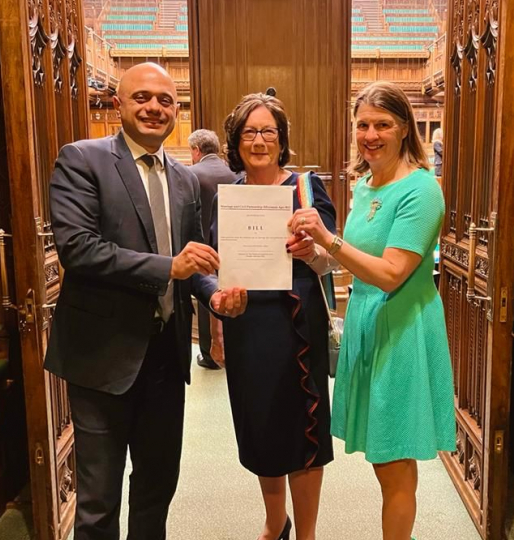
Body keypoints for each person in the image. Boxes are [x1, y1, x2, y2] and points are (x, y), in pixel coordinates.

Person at [45, 62, 247, 540]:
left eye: (165, 100)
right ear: (119, 104)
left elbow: (196, 260)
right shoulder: (82, 159)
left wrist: (216, 293)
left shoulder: (184, 179)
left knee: (157, 490)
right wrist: (167, 268)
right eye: (142, 98)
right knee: (98, 501)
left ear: (176, 110)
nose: (154, 107)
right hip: (102, 358)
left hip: (164, 360)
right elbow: (78, 249)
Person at [290, 81, 455, 540]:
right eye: (362, 124)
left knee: (393, 458)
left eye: (382, 124)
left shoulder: (422, 190)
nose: (370, 134)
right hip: (367, 321)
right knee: (384, 453)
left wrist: (329, 239)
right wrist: (313, 253)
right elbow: (350, 261)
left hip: (402, 331)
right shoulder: (365, 185)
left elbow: (389, 274)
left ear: (405, 129)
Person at [210, 93, 337, 540]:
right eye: (250, 132)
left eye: (269, 132)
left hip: (296, 325)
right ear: (236, 141)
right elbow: (217, 267)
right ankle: (274, 521)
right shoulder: (229, 197)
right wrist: (217, 330)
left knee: (303, 432)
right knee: (260, 424)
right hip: (246, 326)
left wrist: (314, 249)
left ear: (282, 141)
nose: (259, 140)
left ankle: (306, 534)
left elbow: (330, 257)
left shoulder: (305, 187)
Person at [187, 129, 237, 370]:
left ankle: (209, 354)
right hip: (235, 244)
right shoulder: (235, 172)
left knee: (209, 296)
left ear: (196, 151)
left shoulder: (190, 174)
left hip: (204, 245)